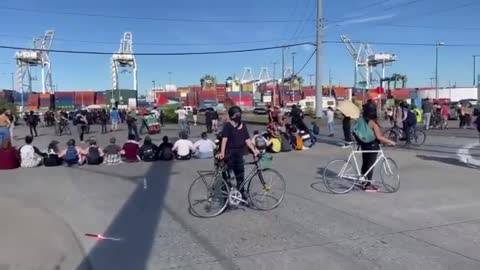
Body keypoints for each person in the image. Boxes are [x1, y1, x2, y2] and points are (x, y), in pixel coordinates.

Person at [216, 106, 259, 198]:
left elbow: (247, 140)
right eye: (236, 115)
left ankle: (241, 194)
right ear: (231, 116)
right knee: (227, 176)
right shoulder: (228, 126)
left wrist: (254, 149)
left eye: (239, 114)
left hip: (239, 154)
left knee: (240, 176)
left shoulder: (243, 126)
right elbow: (224, 140)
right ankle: (226, 196)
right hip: (229, 153)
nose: (238, 116)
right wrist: (222, 152)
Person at [353, 103, 395, 191]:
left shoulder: (361, 120)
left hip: (363, 144)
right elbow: (379, 137)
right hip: (372, 145)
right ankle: (367, 185)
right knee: (370, 165)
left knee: (365, 163)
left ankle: (363, 181)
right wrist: (390, 142)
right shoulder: (373, 123)